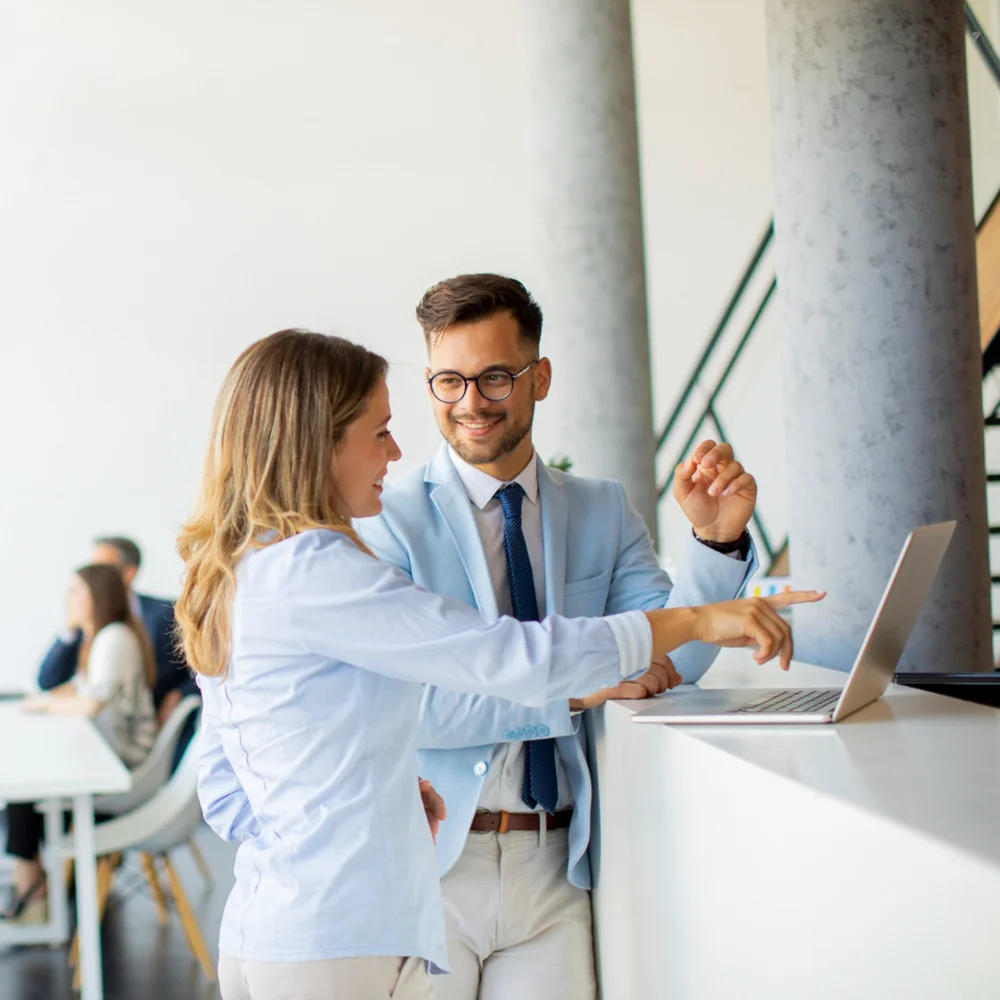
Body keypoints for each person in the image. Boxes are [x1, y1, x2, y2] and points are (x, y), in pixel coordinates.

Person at [186, 329, 820, 1000]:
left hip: (272, 931)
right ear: (320, 443)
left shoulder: (241, 567)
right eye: (381, 432)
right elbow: (510, 656)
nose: (396, 451)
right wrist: (696, 619)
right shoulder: (323, 568)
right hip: (344, 941)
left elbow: (226, 788)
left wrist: (366, 807)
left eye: (494, 376)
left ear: (538, 376)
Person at [357, 273, 771, 1000]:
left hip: (557, 868)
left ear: (539, 377)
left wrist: (714, 541)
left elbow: (673, 656)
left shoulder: (602, 509)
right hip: (431, 866)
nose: (471, 403)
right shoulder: (386, 519)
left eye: (495, 377)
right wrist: (571, 692)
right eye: (449, 381)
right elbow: (402, 709)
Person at [2, 564, 157, 923]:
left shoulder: (113, 639)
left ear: (97, 597)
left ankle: (33, 889)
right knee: (26, 792)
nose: (66, 599)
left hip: (121, 767)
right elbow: (73, 686)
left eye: (75, 591)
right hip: (108, 756)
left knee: (25, 793)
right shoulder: (100, 638)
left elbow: (90, 704)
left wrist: (43, 704)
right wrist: (52, 693)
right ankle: (34, 886)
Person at [37, 536, 197, 725]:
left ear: (129, 573)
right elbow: (49, 682)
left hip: (144, 721)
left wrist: (179, 694)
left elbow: (200, 666)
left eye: (103, 568)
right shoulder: (89, 623)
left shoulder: (164, 615)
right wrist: (69, 630)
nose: (94, 575)